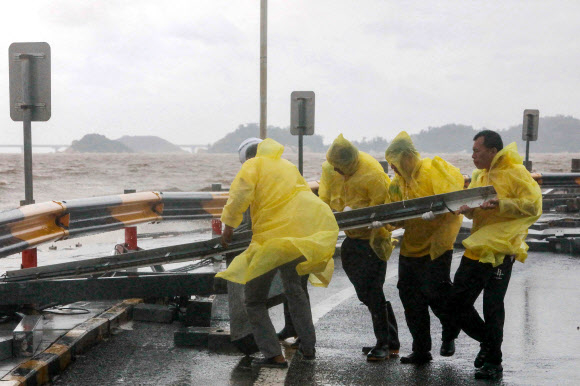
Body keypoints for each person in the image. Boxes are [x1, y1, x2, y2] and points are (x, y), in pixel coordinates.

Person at [217, 138, 339, 368]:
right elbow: (303, 196)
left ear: (247, 158)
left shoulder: (252, 167)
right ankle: (309, 347)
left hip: (269, 243)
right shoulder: (287, 166)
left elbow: (238, 197)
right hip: (295, 239)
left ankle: (273, 354)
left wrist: (228, 228)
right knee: (295, 291)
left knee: (253, 300)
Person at [453, 130, 542, 379]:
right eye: (472, 151)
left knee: (493, 306)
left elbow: (533, 205)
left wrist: (502, 203)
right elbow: (479, 211)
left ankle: (493, 363)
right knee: (456, 303)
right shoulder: (480, 175)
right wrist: (465, 211)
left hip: (502, 249)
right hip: (478, 248)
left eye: (476, 151)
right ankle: (489, 343)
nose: (473, 156)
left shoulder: (515, 172)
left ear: (493, 151)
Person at [384, 131, 464, 364]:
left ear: (407, 157)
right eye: (390, 164)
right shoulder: (398, 183)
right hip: (411, 248)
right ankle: (421, 350)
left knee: (436, 295)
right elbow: (395, 214)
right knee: (410, 299)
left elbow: (453, 200)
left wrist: (437, 211)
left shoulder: (431, 170)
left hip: (436, 246)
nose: (393, 168)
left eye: (396, 163)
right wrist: (386, 222)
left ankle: (450, 332)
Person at [325, 134, 400, 361]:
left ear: (348, 162)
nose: (336, 172)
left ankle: (384, 343)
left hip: (373, 239)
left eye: (339, 168)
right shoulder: (342, 170)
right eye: (334, 168)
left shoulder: (372, 174)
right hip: (352, 237)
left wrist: (371, 219)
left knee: (373, 290)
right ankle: (391, 338)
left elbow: (384, 206)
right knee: (364, 292)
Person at [276, 160, 343, 344]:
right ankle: (292, 327)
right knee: (291, 289)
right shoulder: (297, 189)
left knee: (297, 289)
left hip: (301, 245)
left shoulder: (297, 193)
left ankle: (304, 336)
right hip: (292, 244)